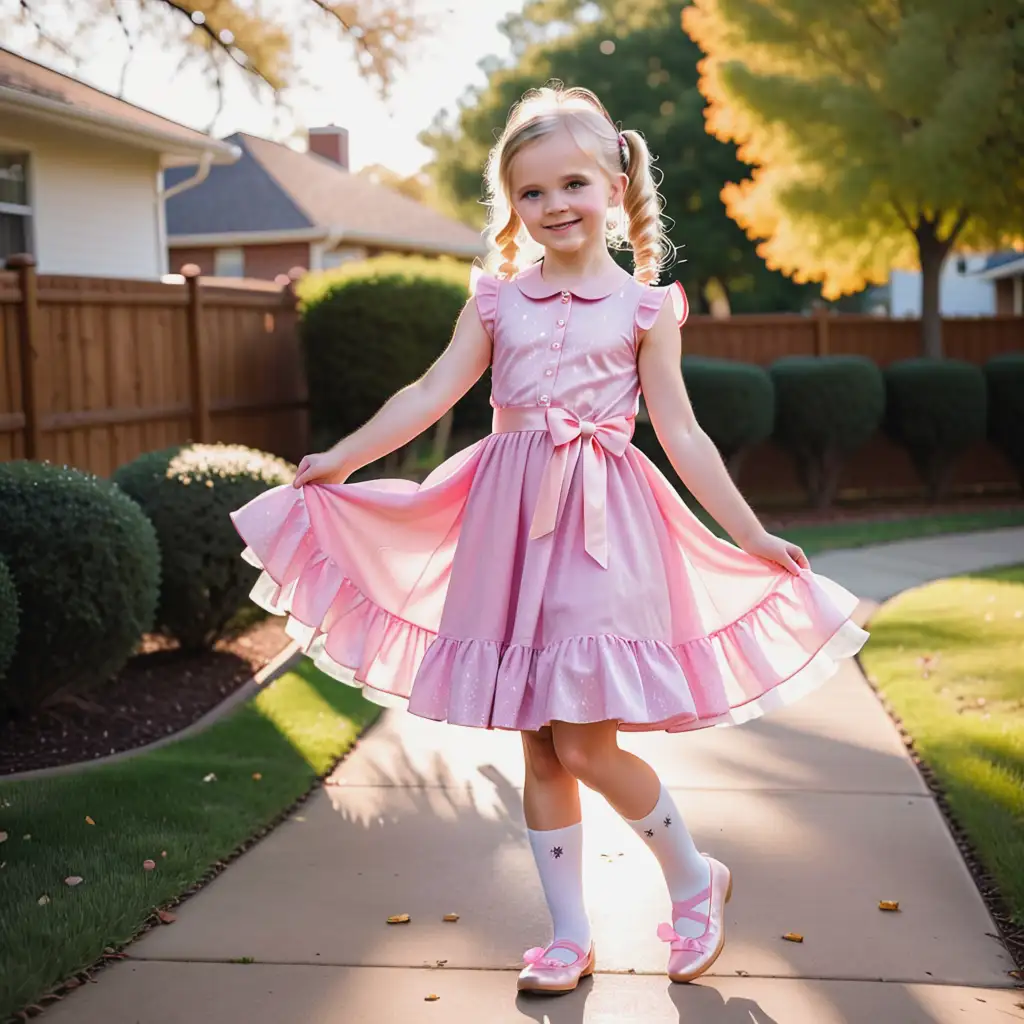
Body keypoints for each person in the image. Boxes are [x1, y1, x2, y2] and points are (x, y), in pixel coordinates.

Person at [230, 84, 868, 996]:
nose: (555, 205)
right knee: (537, 744)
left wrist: (754, 533)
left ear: (613, 183)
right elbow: (428, 395)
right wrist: (341, 456)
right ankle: (569, 935)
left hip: (604, 536)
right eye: (531, 193)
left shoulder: (647, 311)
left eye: (573, 182)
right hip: (508, 531)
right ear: (512, 206)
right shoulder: (495, 303)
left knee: (586, 742)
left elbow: (682, 435)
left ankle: (694, 879)